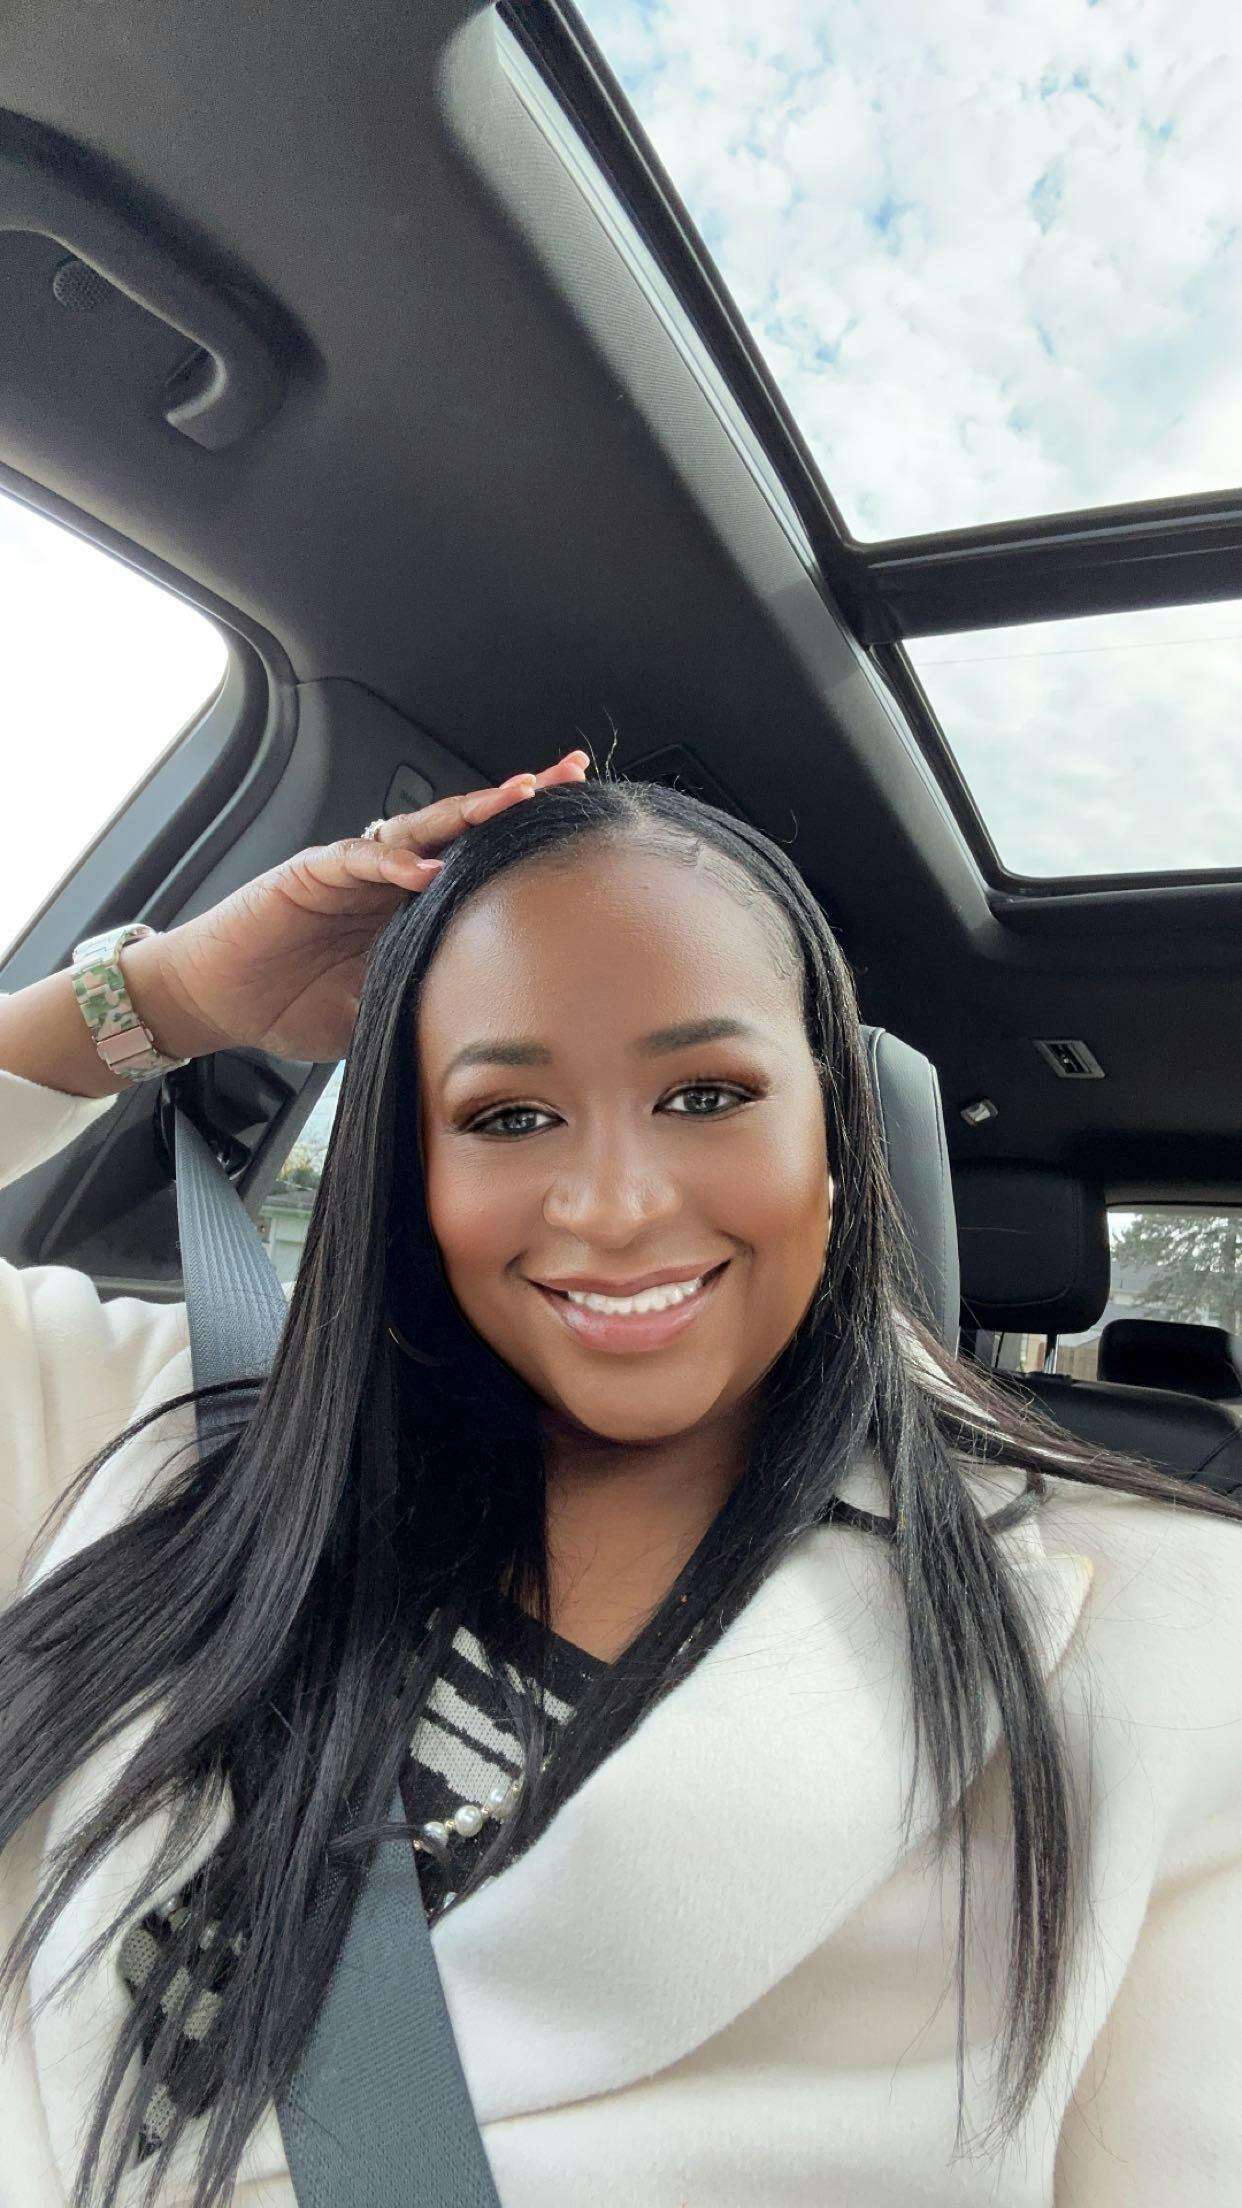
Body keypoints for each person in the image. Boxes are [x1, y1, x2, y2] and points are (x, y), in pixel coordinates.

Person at [1, 752, 1240, 2208]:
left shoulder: (1170, 1642)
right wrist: (166, 1000)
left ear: (836, 1139)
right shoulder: (165, 1423)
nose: (612, 1206)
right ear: (415, 1170)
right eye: (507, 1117)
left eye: (707, 1094)